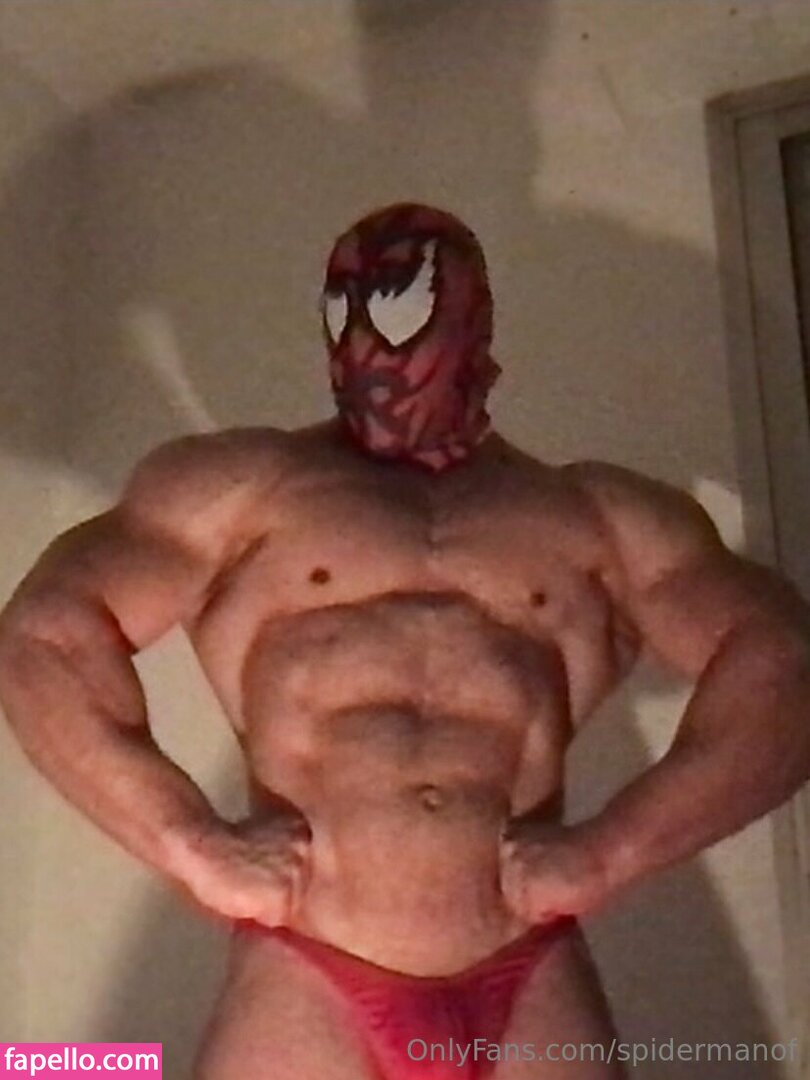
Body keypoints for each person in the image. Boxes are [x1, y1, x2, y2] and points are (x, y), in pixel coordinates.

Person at [1, 203, 809, 1079]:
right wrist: (190, 845)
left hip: (527, 962)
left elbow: (784, 667)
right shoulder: (240, 489)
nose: (373, 346)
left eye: (402, 310)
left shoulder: (599, 518)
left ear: (477, 329)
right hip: (308, 965)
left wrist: (612, 852)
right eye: (346, 311)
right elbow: (45, 638)